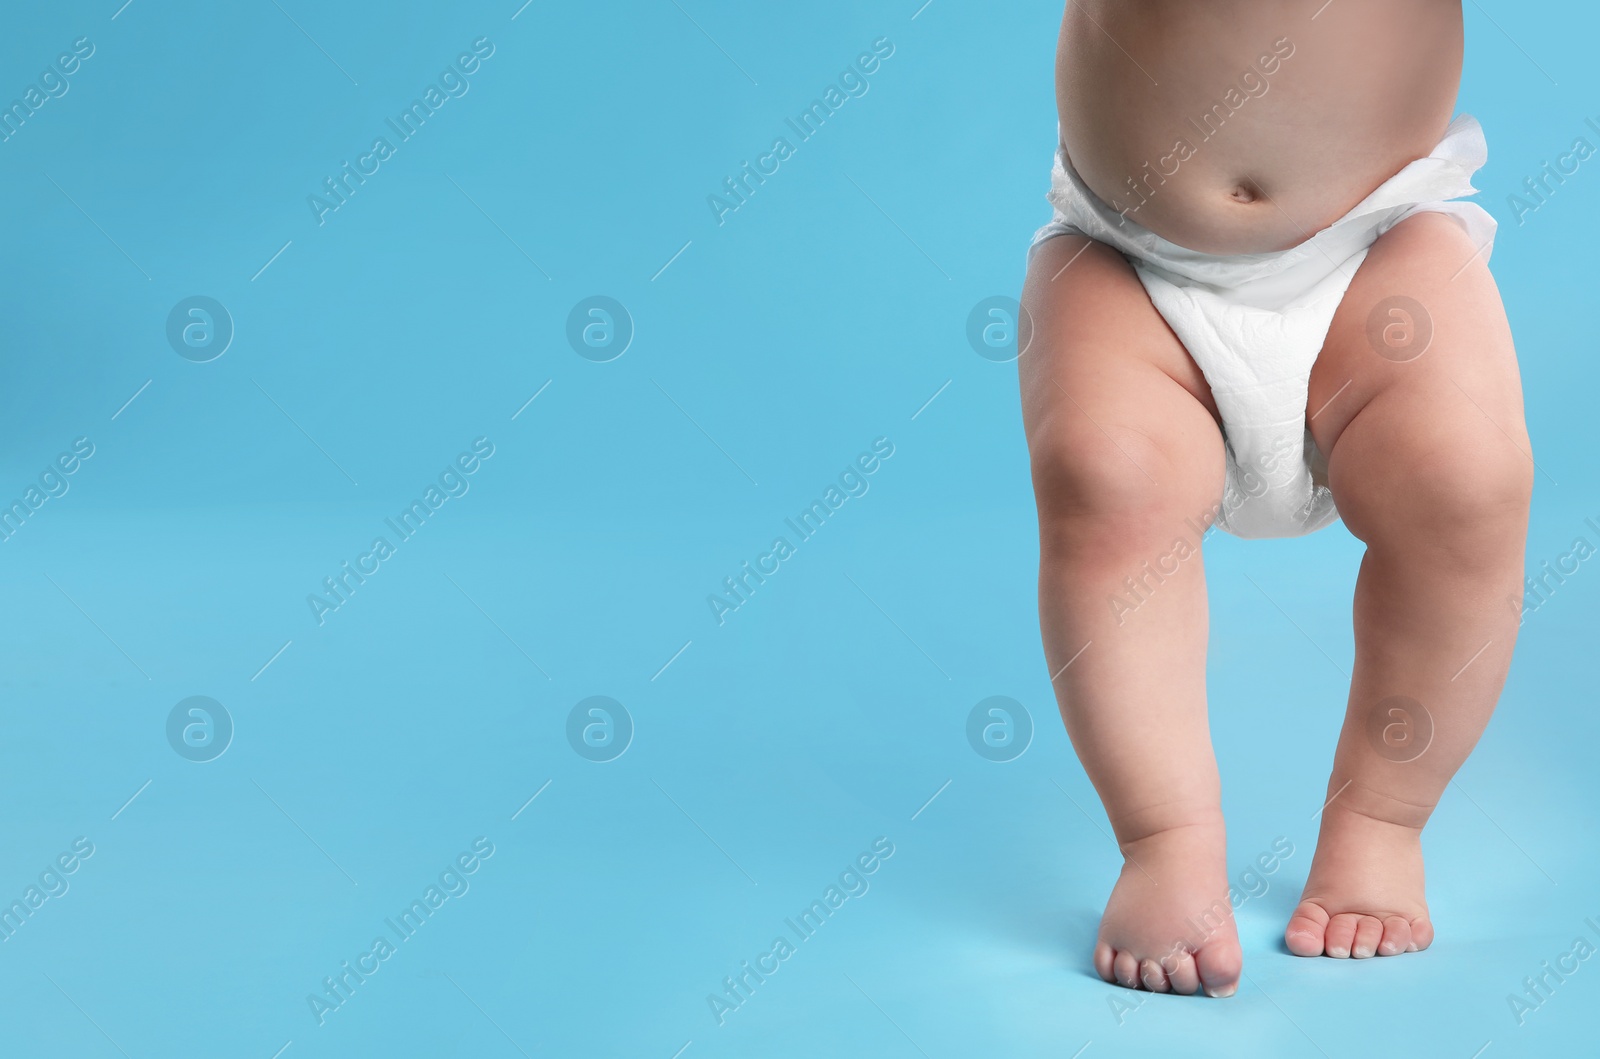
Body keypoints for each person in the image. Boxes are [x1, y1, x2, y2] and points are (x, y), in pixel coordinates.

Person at [1018, 0, 1532, 997]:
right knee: (1103, 479)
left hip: (1375, 251)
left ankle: (1381, 820)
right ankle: (1163, 837)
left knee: (1464, 484)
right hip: (1132, 264)